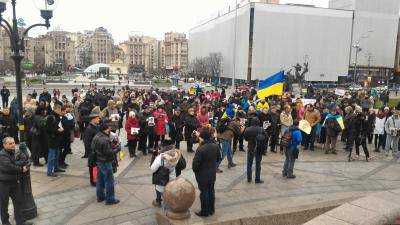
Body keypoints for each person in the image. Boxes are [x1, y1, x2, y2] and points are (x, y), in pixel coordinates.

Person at [0, 137, 32, 225]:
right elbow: (8, 167)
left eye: (13, 143)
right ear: (4, 145)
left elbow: (24, 160)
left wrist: (18, 164)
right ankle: (5, 222)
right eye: (10, 144)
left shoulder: (14, 152)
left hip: (14, 182)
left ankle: (20, 221)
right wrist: (21, 169)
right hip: (3, 183)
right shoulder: (2, 154)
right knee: (4, 204)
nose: (13, 145)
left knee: (18, 202)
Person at [192, 128, 221, 217]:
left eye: (200, 137)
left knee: (204, 193)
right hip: (212, 173)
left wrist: (196, 170)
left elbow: (195, 164)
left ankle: (205, 211)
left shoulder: (201, 149)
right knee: (211, 191)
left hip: (202, 175)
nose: (199, 139)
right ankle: (211, 210)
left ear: (203, 138)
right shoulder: (215, 146)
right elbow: (218, 158)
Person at [92, 121, 120, 205]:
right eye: (108, 128)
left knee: (100, 179)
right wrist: (117, 149)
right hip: (106, 161)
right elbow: (108, 152)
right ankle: (110, 199)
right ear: (106, 129)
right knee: (109, 181)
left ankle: (100, 196)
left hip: (99, 160)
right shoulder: (105, 139)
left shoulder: (96, 136)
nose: (110, 129)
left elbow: (93, 148)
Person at [243, 117, 266, 184]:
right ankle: (257, 179)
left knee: (249, 164)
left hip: (251, 147)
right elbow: (265, 137)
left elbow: (246, 139)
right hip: (258, 148)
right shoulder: (261, 129)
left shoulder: (248, 129)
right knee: (258, 164)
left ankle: (249, 178)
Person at [45, 104, 65, 177]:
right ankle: (49, 171)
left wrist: (60, 130)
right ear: (55, 109)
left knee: (57, 155)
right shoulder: (51, 117)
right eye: (59, 110)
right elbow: (48, 129)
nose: (60, 111)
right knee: (52, 156)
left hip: (57, 139)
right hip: (52, 140)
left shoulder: (58, 117)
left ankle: (56, 168)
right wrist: (57, 130)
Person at [84, 107, 101, 186]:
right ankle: (93, 181)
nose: (99, 120)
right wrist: (90, 151)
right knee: (92, 166)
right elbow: (87, 142)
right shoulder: (89, 129)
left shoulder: (95, 127)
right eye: (97, 119)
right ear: (93, 119)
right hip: (92, 151)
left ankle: (95, 179)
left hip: (96, 151)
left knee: (95, 166)